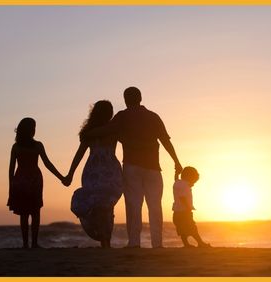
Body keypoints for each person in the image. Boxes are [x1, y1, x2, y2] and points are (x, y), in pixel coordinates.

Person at [81, 87, 182, 248]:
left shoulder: (123, 116)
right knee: (155, 205)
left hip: (132, 167)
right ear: (140, 98)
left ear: (126, 99)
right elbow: (165, 140)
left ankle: (134, 243)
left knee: (134, 205)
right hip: (153, 168)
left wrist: (87, 133)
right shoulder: (153, 117)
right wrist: (177, 161)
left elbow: (106, 130)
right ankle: (157, 244)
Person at [63, 100, 123, 248]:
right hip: (108, 171)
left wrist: (70, 173)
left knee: (101, 205)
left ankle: (104, 238)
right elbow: (80, 153)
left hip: (94, 171)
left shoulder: (92, 132)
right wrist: (70, 173)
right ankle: (105, 239)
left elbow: (79, 155)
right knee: (106, 207)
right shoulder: (113, 129)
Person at [8, 117, 64, 249]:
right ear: (29, 130)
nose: (34, 130)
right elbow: (47, 164)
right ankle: (32, 243)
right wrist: (62, 177)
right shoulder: (36, 145)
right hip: (32, 180)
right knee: (33, 212)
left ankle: (27, 244)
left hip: (23, 180)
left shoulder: (17, 147)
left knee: (26, 213)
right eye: (33, 128)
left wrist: (11, 187)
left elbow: (11, 170)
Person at [172, 166, 210, 248]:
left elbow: (176, 179)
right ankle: (200, 243)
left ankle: (186, 244)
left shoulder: (178, 182)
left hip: (176, 213)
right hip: (184, 212)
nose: (193, 184)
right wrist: (188, 208)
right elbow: (182, 197)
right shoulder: (184, 186)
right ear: (189, 177)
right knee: (192, 228)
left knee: (182, 230)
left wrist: (176, 173)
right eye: (194, 181)